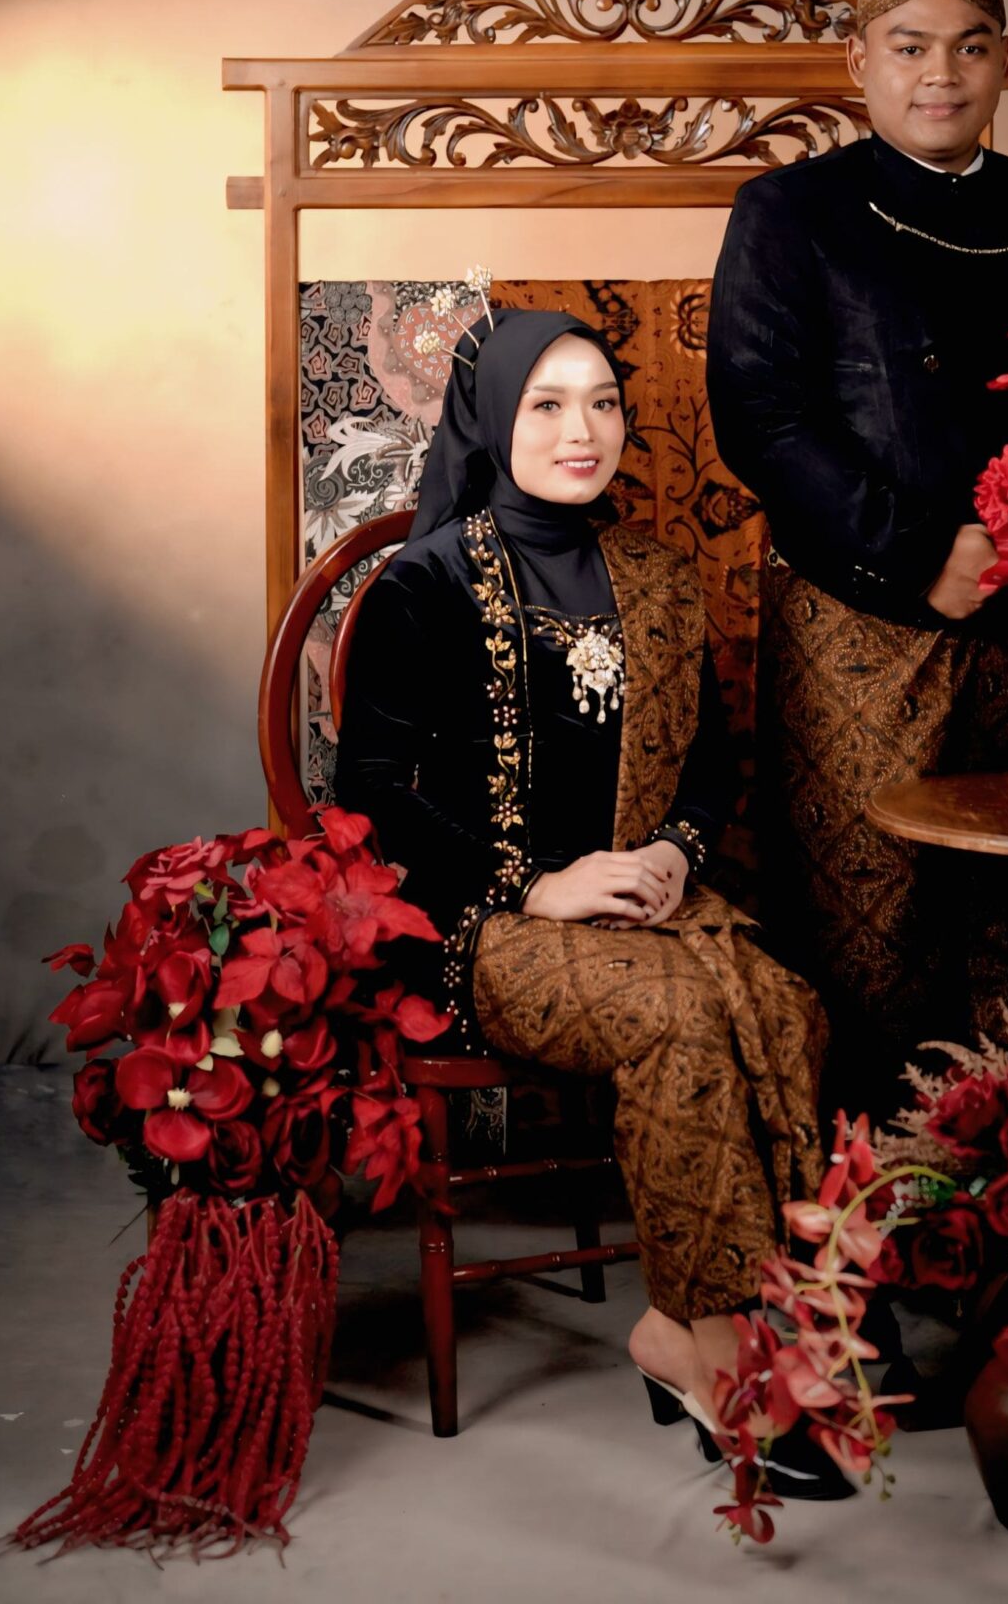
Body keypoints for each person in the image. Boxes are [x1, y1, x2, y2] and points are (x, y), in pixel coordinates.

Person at [335, 306, 840, 1484]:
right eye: (547, 405)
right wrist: (535, 884)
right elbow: (370, 794)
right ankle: (713, 1345)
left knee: (786, 1006)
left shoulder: (657, 577)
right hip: (482, 927)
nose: (583, 431)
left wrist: (674, 851)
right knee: (680, 1018)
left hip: (644, 906)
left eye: (603, 404)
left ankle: (734, 1319)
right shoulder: (427, 582)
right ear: (489, 419)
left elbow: (710, 763)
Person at [709, 0, 1008, 1119]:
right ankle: (862, 1194)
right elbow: (761, 419)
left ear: (1003, 62)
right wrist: (922, 551)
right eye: (910, 47)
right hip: (859, 613)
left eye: (970, 48)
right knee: (873, 921)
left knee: (1007, 911)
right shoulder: (790, 210)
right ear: (859, 62)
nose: (941, 75)